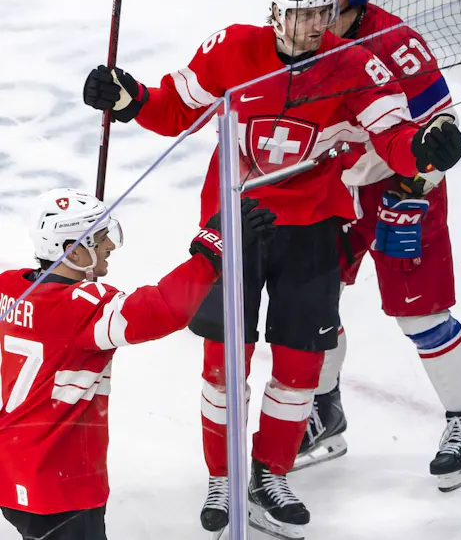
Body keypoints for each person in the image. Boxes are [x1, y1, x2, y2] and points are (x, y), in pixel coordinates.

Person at [81, 0, 461, 538]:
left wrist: (425, 148)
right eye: (304, 14)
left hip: (314, 226)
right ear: (277, 15)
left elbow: (393, 137)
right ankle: (222, 476)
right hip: (235, 224)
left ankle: (270, 474)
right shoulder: (231, 50)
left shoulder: (356, 64)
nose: (317, 24)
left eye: (324, 12)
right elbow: (174, 110)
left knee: (300, 366)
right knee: (222, 364)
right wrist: (128, 97)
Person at [295, 0, 461, 492]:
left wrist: (415, 189)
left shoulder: (397, 44)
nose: (310, 3)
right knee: (314, 300)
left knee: (419, 315)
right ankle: (324, 413)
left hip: (401, 187)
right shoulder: (301, 36)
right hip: (336, 187)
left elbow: (441, 131)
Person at [0, 189, 275, 540]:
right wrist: (212, 250)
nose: (109, 245)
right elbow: (163, 309)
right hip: (59, 485)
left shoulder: (9, 287)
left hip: (11, 473)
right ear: (72, 250)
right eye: (99, 238)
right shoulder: (82, 308)